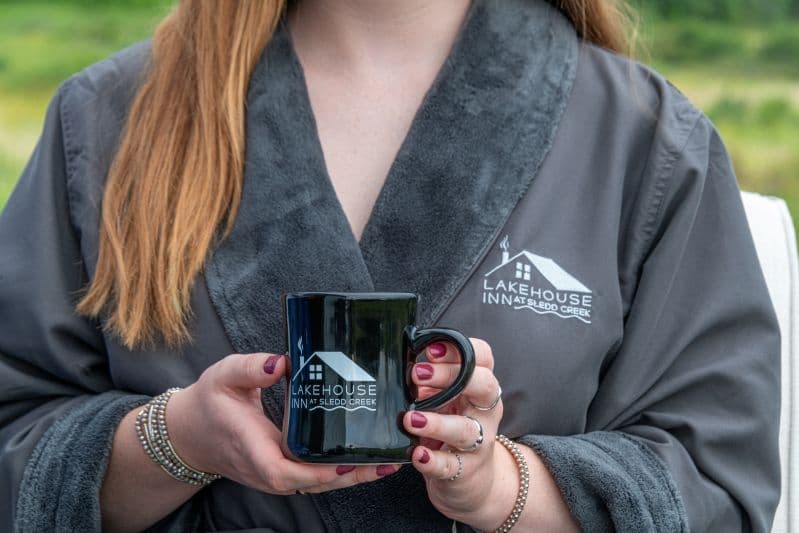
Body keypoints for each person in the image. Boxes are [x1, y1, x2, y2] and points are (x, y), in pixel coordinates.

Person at [0, 0, 780, 531]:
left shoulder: (647, 140)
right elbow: (16, 435)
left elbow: (712, 482)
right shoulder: (106, 121)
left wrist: (496, 484)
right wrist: (177, 439)